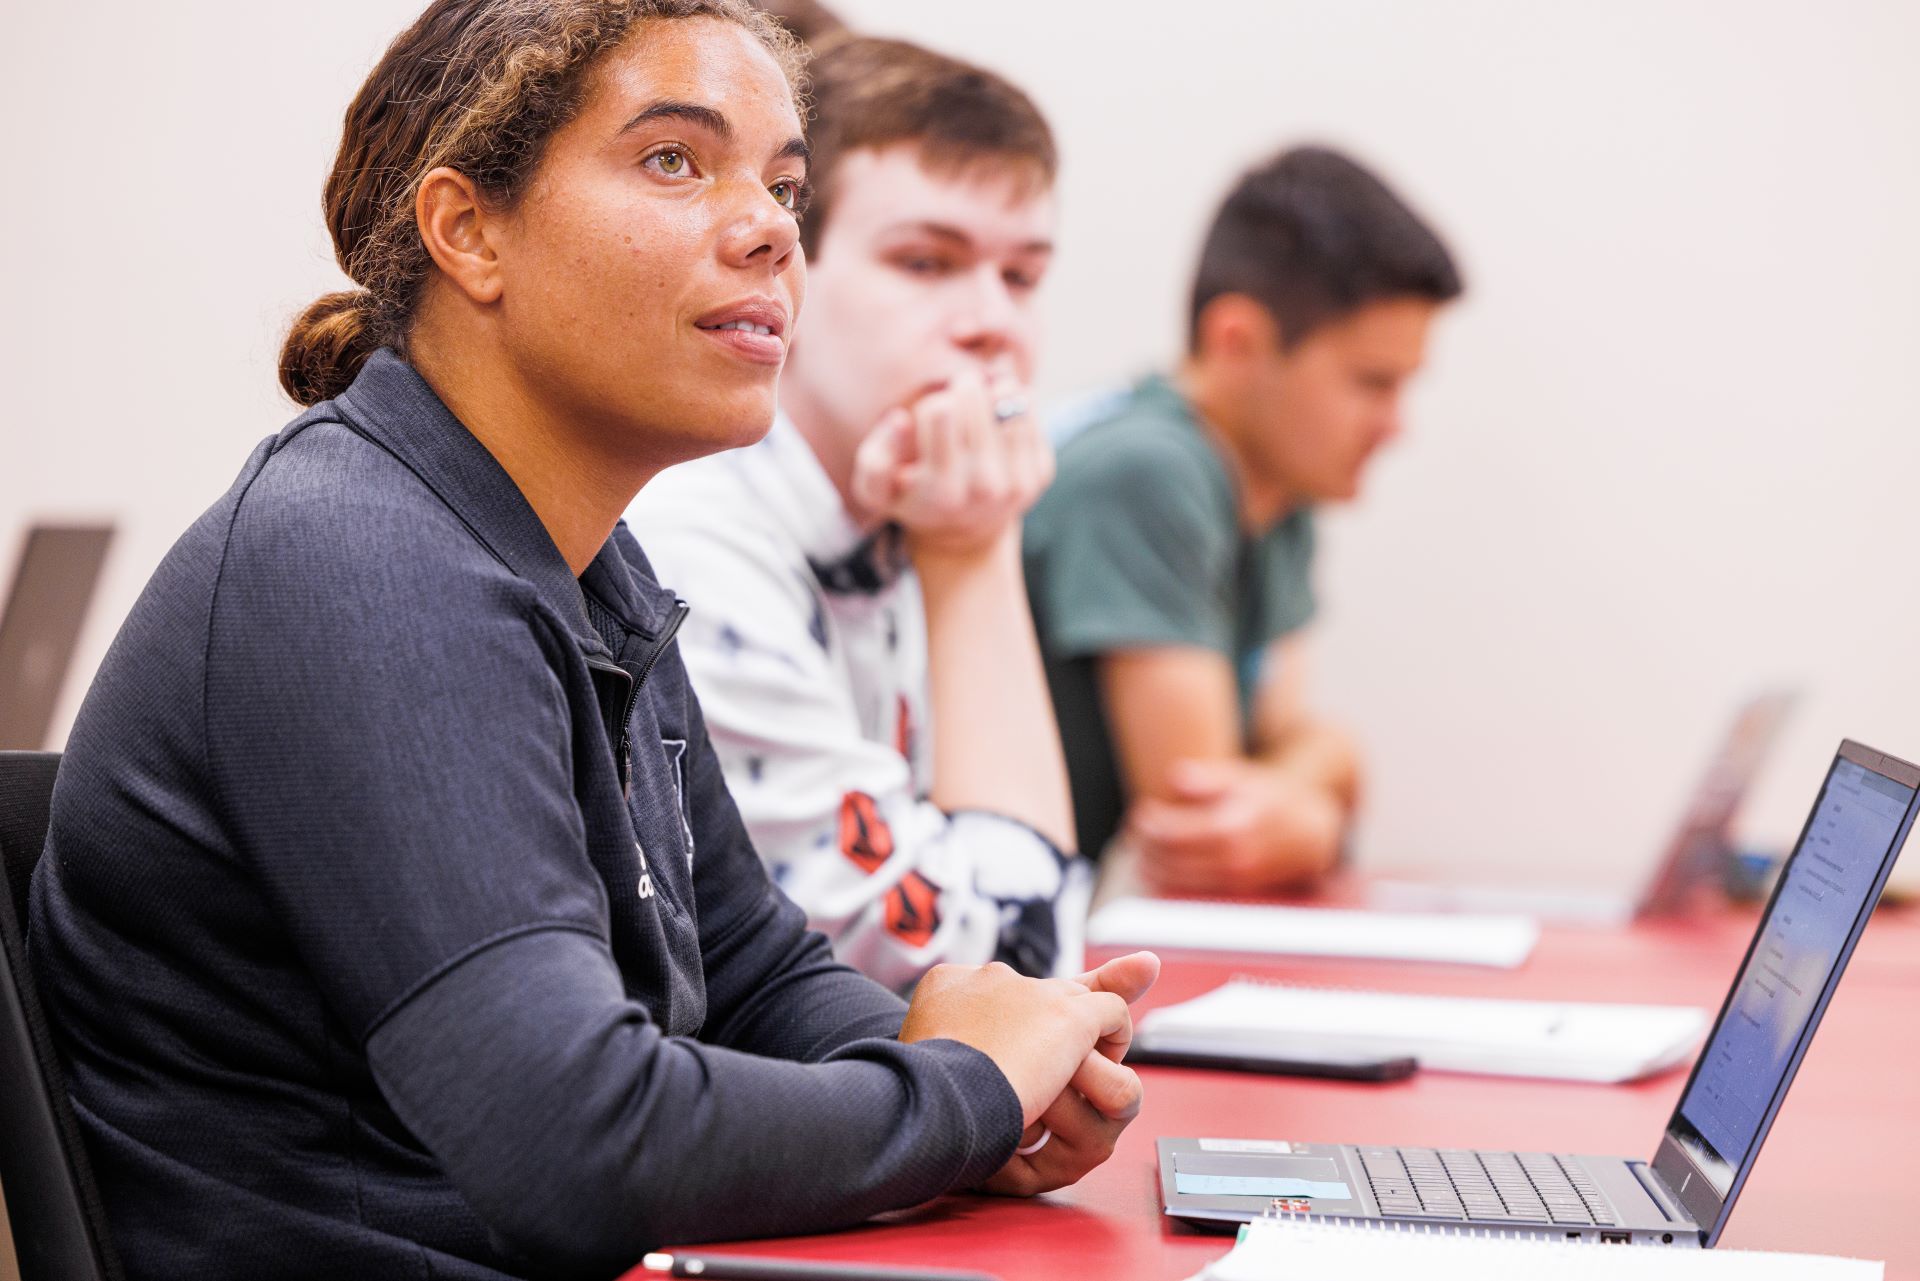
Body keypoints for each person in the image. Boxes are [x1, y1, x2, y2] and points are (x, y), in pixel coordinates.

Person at [27, 4, 1155, 1279]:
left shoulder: (579, 554)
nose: (775, 228)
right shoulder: (357, 558)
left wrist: (953, 1065)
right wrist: (960, 1095)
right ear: (468, 232)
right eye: (675, 159)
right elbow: (578, 1140)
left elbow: (745, 966)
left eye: (786, 185)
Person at [629, 34, 1083, 991]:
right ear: (786, 271)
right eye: (926, 261)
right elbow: (992, 977)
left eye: (1023, 277)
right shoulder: (691, 539)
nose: (991, 320)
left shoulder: (897, 513)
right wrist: (976, 552)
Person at [1024, 146, 1464, 896]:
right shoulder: (1150, 472)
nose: (1396, 426)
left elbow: (1291, 745)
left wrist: (1319, 775)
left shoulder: (1277, 491)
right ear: (1238, 343)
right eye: (1372, 383)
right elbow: (1207, 836)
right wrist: (1322, 803)